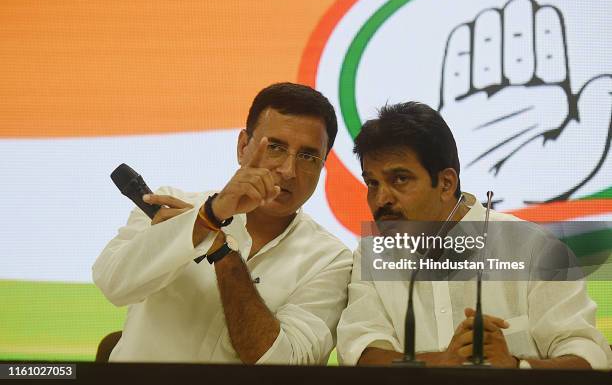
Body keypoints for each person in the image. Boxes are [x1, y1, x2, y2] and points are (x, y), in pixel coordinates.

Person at [336, 101, 612, 369]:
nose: (380, 198)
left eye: (400, 179)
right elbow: (363, 353)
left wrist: (516, 366)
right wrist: (443, 362)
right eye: (372, 182)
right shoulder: (373, 253)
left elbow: (589, 357)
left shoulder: (534, 248)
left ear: (445, 183)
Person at [93, 82, 352, 364]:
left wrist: (221, 251)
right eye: (275, 147)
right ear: (243, 147)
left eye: (308, 156)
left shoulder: (331, 259)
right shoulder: (173, 204)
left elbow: (284, 367)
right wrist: (204, 220)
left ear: (322, 165)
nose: (288, 171)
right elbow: (113, 285)